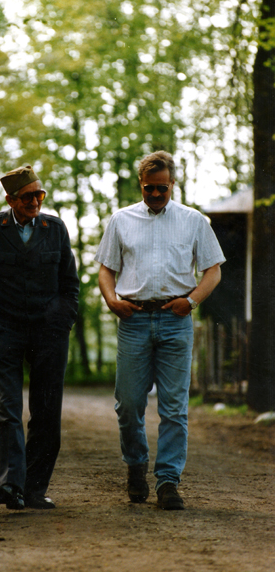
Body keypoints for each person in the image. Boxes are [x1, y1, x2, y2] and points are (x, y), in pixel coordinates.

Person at [95, 151, 225, 510]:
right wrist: (111, 299)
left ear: (172, 185)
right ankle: (136, 465)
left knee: (174, 406)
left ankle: (168, 481)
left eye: (162, 189)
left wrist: (193, 301)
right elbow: (106, 269)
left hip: (176, 318)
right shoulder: (121, 220)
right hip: (133, 319)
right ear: (141, 184)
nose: (155, 195)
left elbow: (213, 269)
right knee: (129, 404)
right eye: (149, 189)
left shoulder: (194, 221)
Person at [0, 165, 79, 510]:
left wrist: (64, 322)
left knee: (47, 412)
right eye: (27, 197)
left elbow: (70, 283)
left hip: (50, 332)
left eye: (39, 195)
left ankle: (33, 489)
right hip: (6, 328)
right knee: (8, 408)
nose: (35, 201)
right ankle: (11, 485)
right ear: (10, 200)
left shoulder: (55, 228)